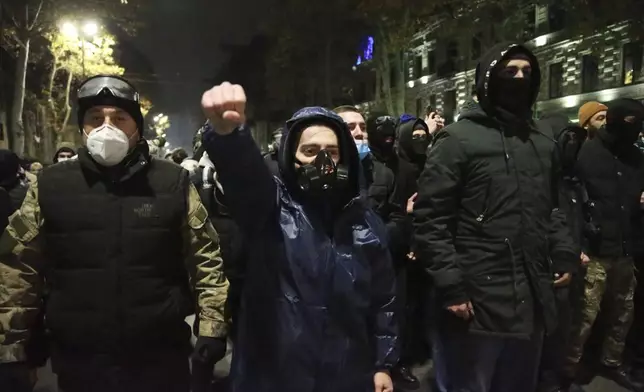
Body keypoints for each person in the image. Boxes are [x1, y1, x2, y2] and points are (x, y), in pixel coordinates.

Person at [0, 75, 229, 392]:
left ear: (137, 126)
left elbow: (206, 257)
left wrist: (212, 327)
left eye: (119, 118)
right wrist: (11, 346)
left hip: (160, 356)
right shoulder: (50, 185)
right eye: (96, 118)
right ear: (83, 127)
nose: (107, 128)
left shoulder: (172, 182)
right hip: (79, 360)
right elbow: (19, 266)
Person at [201, 82, 398, 392]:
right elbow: (246, 179)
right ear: (290, 158)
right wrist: (229, 137)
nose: (322, 161)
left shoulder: (366, 223)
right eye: (309, 151)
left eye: (331, 152)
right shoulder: (270, 210)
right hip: (274, 376)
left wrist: (382, 365)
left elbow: (383, 301)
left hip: (347, 376)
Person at [414, 43, 577, 392]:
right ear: (487, 79)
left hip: (531, 298)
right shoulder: (457, 140)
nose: (519, 78)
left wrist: (562, 250)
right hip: (474, 303)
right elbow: (431, 220)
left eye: (527, 72)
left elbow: (552, 207)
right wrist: (452, 286)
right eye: (510, 71)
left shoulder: (542, 142)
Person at [565, 98, 644, 392]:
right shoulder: (585, 153)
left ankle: (612, 361)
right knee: (584, 315)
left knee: (623, 312)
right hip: (593, 249)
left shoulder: (635, 157)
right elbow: (570, 200)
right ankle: (568, 369)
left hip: (625, 249)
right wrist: (577, 244)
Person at [363, 113, 420, 389]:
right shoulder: (360, 166)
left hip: (395, 252)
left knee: (398, 310)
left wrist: (410, 242)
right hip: (364, 254)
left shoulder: (404, 169)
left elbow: (405, 212)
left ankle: (397, 362)